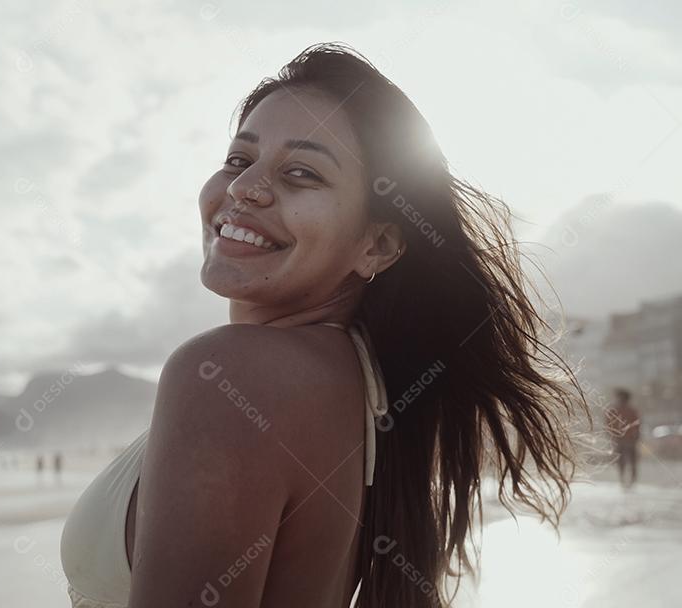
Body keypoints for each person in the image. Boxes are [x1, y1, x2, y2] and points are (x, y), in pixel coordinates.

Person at [59, 42, 588, 608]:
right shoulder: (360, 386)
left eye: (301, 173)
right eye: (239, 160)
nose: (243, 188)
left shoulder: (229, 377)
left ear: (378, 244)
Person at [604, 387, 641, 488]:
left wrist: (612, 434)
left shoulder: (619, 410)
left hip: (625, 439)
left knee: (626, 460)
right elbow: (637, 424)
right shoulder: (630, 410)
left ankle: (626, 479)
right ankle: (628, 480)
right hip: (624, 439)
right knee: (628, 460)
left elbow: (608, 424)